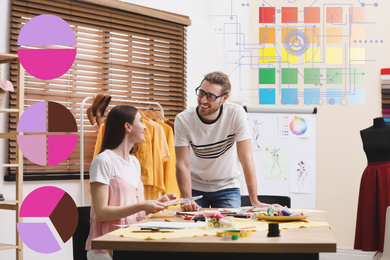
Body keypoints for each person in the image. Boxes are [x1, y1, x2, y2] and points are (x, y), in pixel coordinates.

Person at [85, 105, 176, 260]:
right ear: (127, 126)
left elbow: (133, 210)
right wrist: (142, 205)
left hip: (132, 243)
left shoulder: (134, 162)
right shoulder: (103, 161)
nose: (145, 127)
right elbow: (101, 213)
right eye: (140, 121)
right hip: (107, 248)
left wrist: (154, 204)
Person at [174, 71, 268, 211]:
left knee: (228, 226)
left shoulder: (235, 114)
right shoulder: (183, 120)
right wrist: (187, 199)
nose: (203, 100)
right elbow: (182, 164)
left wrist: (255, 200)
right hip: (195, 188)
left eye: (211, 96)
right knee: (194, 226)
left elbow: (246, 159)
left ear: (224, 98)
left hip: (227, 187)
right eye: (201, 93)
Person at [354, 117, 390, 259]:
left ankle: (386, 250)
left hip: (388, 176)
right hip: (371, 177)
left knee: (387, 213)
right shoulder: (365, 132)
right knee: (373, 213)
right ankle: (380, 251)